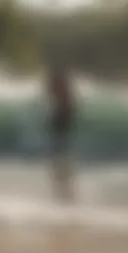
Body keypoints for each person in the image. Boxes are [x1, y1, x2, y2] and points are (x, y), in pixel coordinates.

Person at [46, 63, 75, 203]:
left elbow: (51, 94)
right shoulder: (62, 84)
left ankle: (62, 172)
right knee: (60, 145)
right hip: (61, 116)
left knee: (60, 146)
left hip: (62, 116)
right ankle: (62, 173)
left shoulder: (61, 84)